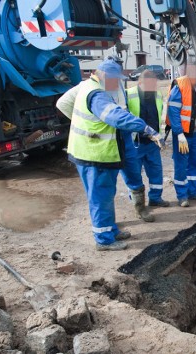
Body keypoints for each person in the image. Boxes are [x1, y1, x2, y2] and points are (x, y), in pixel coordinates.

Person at [66, 58, 163, 250]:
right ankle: (104, 240)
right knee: (100, 197)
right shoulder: (96, 94)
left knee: (106, 194)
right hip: (93, 154)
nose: (116, 83)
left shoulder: (97, 88)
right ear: (102, 75)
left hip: (102, 152)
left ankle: (110, 230)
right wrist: (145, 128)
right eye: (113, 79)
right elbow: (116, 116)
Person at [166, 60, 196, 207]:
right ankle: (182, 195)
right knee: (181, 165)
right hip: (182, 135)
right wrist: (179, 134)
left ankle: (192, 191)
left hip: (195, 134)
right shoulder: (180, 85)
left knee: (194, 164)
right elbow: (173, 112)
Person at [125, 69, 170, 208]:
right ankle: (137, 203)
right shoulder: (129, 94)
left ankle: (155, 198)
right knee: (134, 174)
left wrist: (159, 136)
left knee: (156, 171)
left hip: (152, 143)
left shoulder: (157, 95)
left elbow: (157, 117)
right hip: (135, 143)